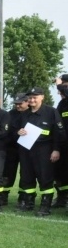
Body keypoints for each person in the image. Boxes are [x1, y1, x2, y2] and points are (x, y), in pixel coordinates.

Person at [17, 87, 65, 216]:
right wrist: (19, 132)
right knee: (27, 177)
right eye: (30, 98)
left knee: (45, 178)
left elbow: (59, 133)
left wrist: (56, 150)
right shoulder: (25, 114)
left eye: (35, 97)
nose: (32, 100)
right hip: (26, 149)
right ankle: (28, 203)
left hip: (44, 150)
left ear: (42, 97)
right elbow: (19, 130)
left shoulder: (51, 112)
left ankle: (45, 206)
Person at [1, 93, 30, 207]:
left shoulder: (32, 114)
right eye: (16, 104)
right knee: (7, 173)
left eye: (20, 104)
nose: (18, 106)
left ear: (27, 102)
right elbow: (5, 131)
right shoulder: (10, 114)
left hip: (27, 148)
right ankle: (3, 196)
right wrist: (16, 133)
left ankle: (23, 197)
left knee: (25, 173)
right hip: (11, 148)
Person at [53, 75, 68, 208]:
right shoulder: (62, 104)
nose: (60, 91)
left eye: (65, 87)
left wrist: (60, 84)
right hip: (63, 146)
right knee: (60, 173)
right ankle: (62, 198)